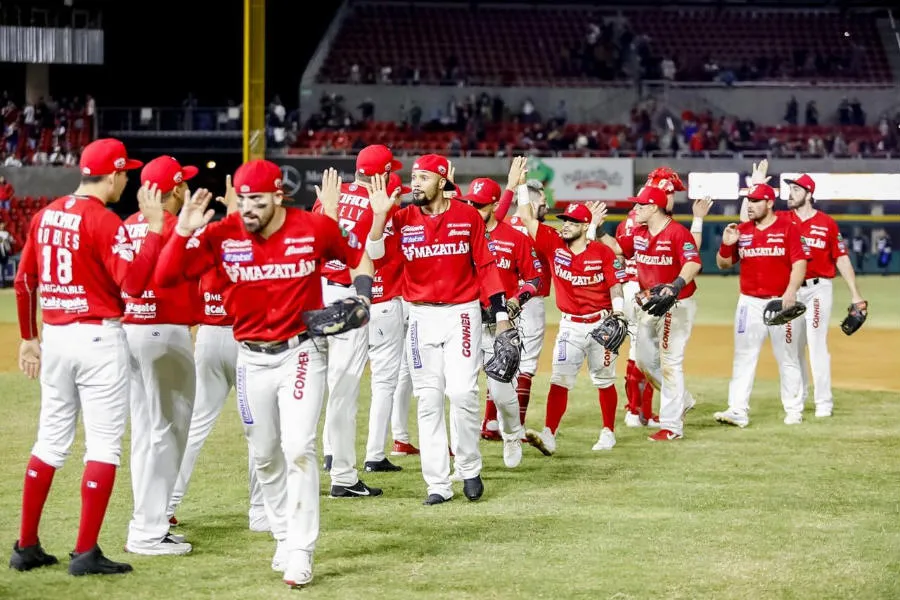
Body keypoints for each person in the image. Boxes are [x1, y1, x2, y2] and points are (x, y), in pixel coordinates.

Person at [154, 161, 374, 588]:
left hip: (300, 352)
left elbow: (359, 250)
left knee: (299, 448)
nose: (248, 207)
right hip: (250, 357)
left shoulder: (313, 227)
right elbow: (165, 277)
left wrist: (361, 294)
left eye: (257, 199)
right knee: (265, 455)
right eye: (243, 198)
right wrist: (183, 231)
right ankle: (282, 533)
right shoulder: (224, 234)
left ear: (278, 196)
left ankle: (301, 548)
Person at [10, 138, 164, 575]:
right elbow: (133, 284)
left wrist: (28, 337)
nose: (128, 179)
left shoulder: (45, 215)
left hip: (56, 338)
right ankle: (85, 552)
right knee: (103, 445)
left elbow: (24, 282)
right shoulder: (104, 221)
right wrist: (153, 230)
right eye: (125, 173)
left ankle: (26, 545)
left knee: (50, 441)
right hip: (98, 339)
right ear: (113, 175)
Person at [366, 154, 509, 505]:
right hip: (419, 316)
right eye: (413, 177)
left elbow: (487, 265)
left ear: (442, 182)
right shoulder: (402, 218)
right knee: (428, 400)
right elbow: (375, 252)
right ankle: (437, 484)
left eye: (424, 178)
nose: (415, 183)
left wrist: (502, 314)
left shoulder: (467, 215)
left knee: (461, 393)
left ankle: (469, 467)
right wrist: (380, 216)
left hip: (461, 312)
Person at [167, 176, 266, 532]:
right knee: (259, 428)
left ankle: (167, 504)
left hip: (207, 337)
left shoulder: (204, 240)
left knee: (194, 427)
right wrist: (237, 211)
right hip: (245, 340)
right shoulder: (250, 241)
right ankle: (260, 512)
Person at [122, 156, 199, 556]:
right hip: (165, 333)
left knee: (147, 434)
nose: (187, 187)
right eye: (183, 182)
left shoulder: (129, 225)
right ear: (174, 190)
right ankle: (149, 531)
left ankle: (147, 521)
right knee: (167, 435)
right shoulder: (177, 229)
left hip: (131, 331)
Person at [314, 144, 396, 494]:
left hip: (314, 293)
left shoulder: (329, 196)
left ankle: (327, 456)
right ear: (383, 173)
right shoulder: (379, 202)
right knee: (343, 391)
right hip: (349, 293)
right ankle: (343, 477)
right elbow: (373, 253)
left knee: (311, 388)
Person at [515, 198, 625, 455]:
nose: (565, 225)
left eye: (572, 222)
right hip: (569, 327)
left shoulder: (602, 252)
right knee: (559, 380)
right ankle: (549, 435)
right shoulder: (554, 245)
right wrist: (520, 185)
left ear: (586, 226)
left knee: (604, 380)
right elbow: (526, 216)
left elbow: (614, 284)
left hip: (600, 323)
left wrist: (618, 313)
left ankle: (608, 431)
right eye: (564, 220)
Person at [460, 177, 542, 467]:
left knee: (500, 390)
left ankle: (510, 434)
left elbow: (534, 277)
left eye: (480, 205)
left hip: (499, 324)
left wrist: (518, 298)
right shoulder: (461, 234)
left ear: (495, 205)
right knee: (463, 391)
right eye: (470, 202)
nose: (473, 208)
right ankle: (465, 458)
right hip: (466, 321)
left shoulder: (514, 238)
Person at [714, 183, 808, 427]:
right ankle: (737, 410)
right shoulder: (741, 230)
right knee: (743, 356)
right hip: (749, 302)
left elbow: (800, 264)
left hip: (780, 301)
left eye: (756, 201)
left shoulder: (789, 228)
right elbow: (723, 264)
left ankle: (794, 409)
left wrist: (790, 292)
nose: (751, 205)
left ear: (769, 202)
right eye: (749, 201)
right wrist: (727, 243)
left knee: (787, 357)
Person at [613, 186, 702, 440]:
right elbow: (619, 248)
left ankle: (672, 426)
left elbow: (693, 262)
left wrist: (675, 286)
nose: (635, 209)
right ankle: (680, 399)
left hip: (677, 304)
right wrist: (593, 227)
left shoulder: (676, 232)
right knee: (643, 359)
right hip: (650, 304)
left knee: (670, 362)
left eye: (640, 205)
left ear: (654, 207)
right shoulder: (640, 232)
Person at [782, 173, 865, 418]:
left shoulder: (827, 223)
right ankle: (797, 400)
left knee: (817, 345)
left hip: (819, 289)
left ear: (809, 194)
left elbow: (841, 258)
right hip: (791, 290)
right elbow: (749, 220)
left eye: (796, 190)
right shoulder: (782, 220)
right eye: (790, 190)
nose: (791, 194)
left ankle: (824, 402)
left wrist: (855, 295)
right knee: (793, 348)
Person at [486, 157, 546, 434]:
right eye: (542, 202)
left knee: (495, 359)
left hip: (494, 299)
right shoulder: (537, 229)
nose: (546, 206)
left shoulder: (499, 224)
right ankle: (515, 427)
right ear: (532, 204)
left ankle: (491, 422)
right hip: (527, 300)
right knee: (526, 364)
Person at [363, 173, 413, 472]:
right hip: (385, 307)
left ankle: (332, 454)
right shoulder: (397, 223)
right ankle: (374, 454)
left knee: (340, 383)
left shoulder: (354, 218)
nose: (401, 199)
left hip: (355, 302)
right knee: (384, 385)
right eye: (398, 195)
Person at [0, 220, 14, 287]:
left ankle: (3, 283)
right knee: (2, 268)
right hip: (0, 252)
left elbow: (11, 241)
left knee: (4, 267)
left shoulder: (6, 233)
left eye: (2, 225)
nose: (2, 226)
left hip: (5, 252)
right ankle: (2, 282)